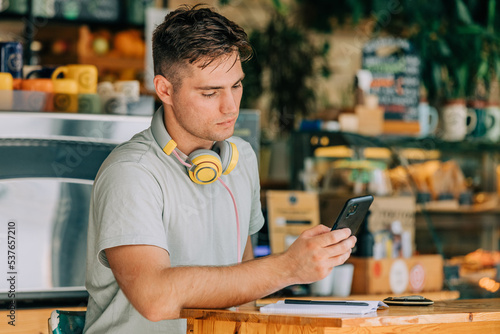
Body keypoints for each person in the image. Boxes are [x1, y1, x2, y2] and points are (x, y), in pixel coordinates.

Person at [83, 4, 356, 333]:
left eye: (236, 86)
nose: (230, 107)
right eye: (210, 92)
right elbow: (155, 299)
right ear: (165, 89)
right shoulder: (131, 173)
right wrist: (289, 267)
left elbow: (243, 280)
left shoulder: (241, 159)